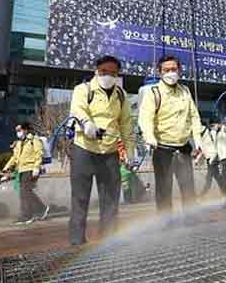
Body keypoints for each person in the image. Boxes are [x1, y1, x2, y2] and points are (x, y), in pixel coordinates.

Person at [68, 55, 133, 245]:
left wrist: (129, 152)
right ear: (96, 71)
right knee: (80, 198)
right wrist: (87, 123)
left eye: (113, 73)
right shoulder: (84, 89)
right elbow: (77, 109)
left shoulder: (121, 95)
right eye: (104, 71)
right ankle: (77, 241)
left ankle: (109, 240)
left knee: (111, 199)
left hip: (110, 153)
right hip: (84, 150)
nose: (108, 76)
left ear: (118, 74)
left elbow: (126, 125)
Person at [138, 55, 203, 226]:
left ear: (179, 70)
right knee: (164, 190)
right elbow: (145, 118)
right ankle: (166, 224)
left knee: (188, 188)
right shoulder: (154, 92)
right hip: (162, 149)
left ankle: (192, 222)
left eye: (174, 69)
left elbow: (194, 117)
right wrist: (149, 137)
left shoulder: (185, 91)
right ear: (159, 72)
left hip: (183, 148)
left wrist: (198, 141)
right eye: (166, 70)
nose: (171, 72)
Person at [2, 123, 49, 225]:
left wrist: (36, 167)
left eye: (19, 130)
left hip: (30, 168)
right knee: (26, 192)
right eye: (16, 130)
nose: (18, 132)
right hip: (21, 170)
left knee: (24, 193)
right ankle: (42, 209)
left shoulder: (34, 140)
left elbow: (39, 153)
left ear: (26, 130)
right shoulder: (19, 143)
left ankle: (27, 216)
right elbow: (14, 158)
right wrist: (6, 168)